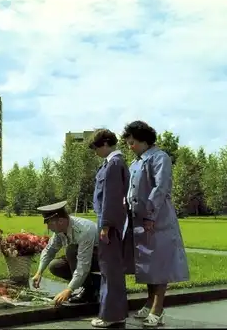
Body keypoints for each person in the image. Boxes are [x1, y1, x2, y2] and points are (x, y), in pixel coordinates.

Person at [122, 120, 190, 327]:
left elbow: (160, 188)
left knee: (160, 264)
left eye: (132, 142)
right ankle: (149, 302)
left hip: (157, 220)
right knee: (148, 265)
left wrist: (150, 215)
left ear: (143, 140)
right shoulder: (136, 162)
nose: (129, 146)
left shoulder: (159, 158)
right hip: (140, 222)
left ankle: (157, 309)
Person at [88, 129, 131, 328]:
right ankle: (115, 313)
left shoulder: (114, 164)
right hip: (109, 221)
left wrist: (105, 225)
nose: (95, 152)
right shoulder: (112, 163)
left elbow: (111, 198)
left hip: (109, 223)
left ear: (105, 143)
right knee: (110, 269)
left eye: (96, 148)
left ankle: (111, 316)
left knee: (110, 269)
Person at [32, 201, 100, 305]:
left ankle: (89, 291)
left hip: (104, 259)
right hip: (87, 258)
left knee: (71, 250)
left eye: (50, 223)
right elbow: (49, 250)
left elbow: (83, 264)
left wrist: (69, 289)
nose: (48, 228)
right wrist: (39, 272)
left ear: (60, 221)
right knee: (55, 266)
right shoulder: (60, 231)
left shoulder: (83, 230)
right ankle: (96, 283)